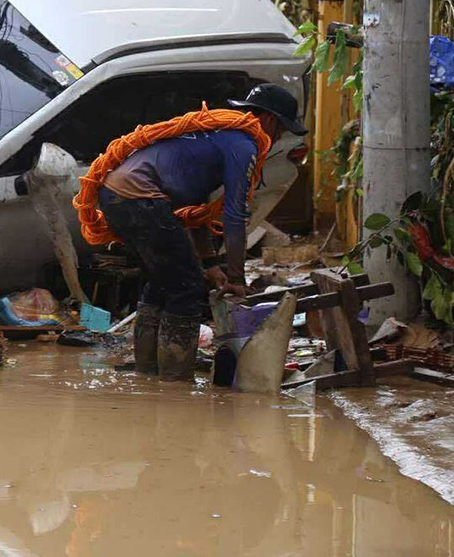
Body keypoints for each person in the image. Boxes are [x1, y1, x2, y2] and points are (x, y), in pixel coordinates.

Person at [87, 84, 307, 381]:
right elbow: (234, 216)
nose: (277, 138)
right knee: (187, 289)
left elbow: (196, 210)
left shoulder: (216, 133)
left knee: (162, 282)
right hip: (142, 197)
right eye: (280, 130)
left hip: (115, 194)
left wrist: (210, 265)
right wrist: (237, 278)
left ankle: (147, 374)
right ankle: (175, 382)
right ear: (269, 120)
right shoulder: (244, 145)